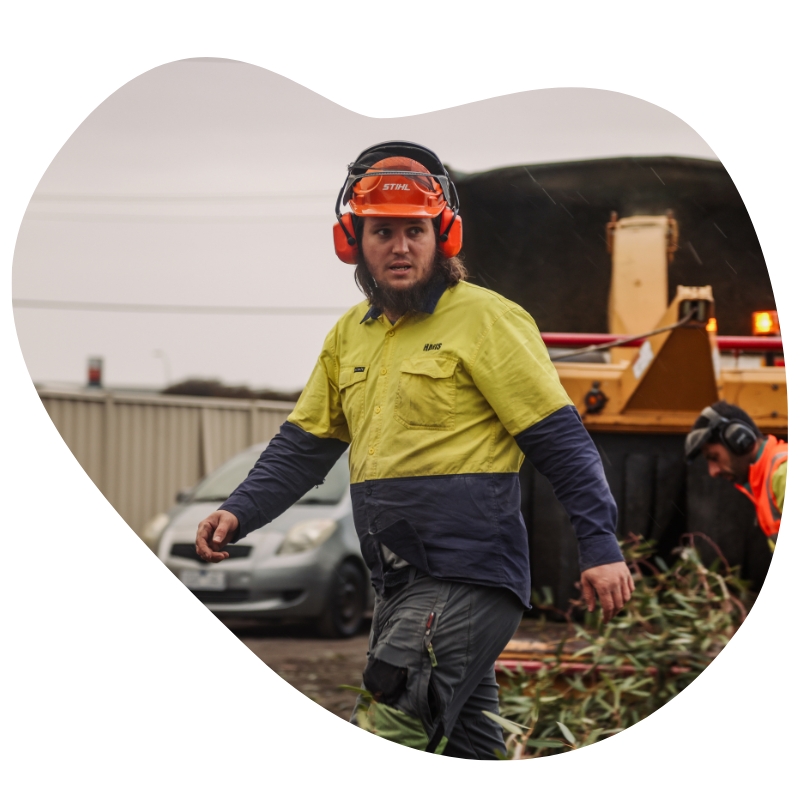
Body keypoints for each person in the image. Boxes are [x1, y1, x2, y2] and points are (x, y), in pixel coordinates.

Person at [195, 141, 633, 758]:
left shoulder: (487, 319)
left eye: (414, 230)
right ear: (354, 241)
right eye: (382, 231)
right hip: (398, 582)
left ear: (443, 234)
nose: (399, 246)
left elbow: (560, 441)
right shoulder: (350, 334)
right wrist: (239, 509)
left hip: (467, 574)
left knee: (388, 727)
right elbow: (304, 445)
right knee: (465, 749)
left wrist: (600, 545)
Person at [685, 400, 788, 551]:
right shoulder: (766, 480)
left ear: (739, 439)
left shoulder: (784, 474)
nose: (713, 472)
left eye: (714, 457)